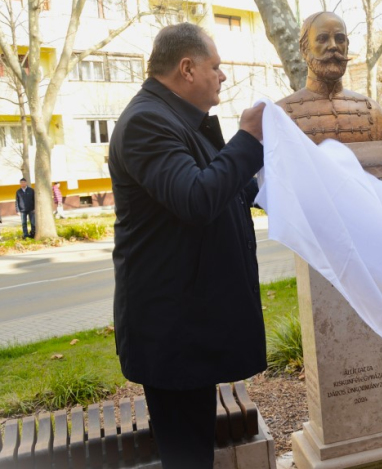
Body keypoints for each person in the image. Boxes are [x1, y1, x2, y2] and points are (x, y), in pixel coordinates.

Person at [107, 23, 267, 468]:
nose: (223, 76)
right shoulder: (146, 122)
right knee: (187, 457)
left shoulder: (174, 120)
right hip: (170, 331)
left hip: (189, 325)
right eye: (215, 67)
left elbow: (216, 192)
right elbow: (196, 198)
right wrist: (249, 140)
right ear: (187, 68)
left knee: (194, 450)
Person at [276, 12, 382, 145]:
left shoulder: (371, 111)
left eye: (340, 39)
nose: (333, 46)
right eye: (323, 39)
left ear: (347, 46)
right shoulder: (280, 113)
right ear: (304, 50)